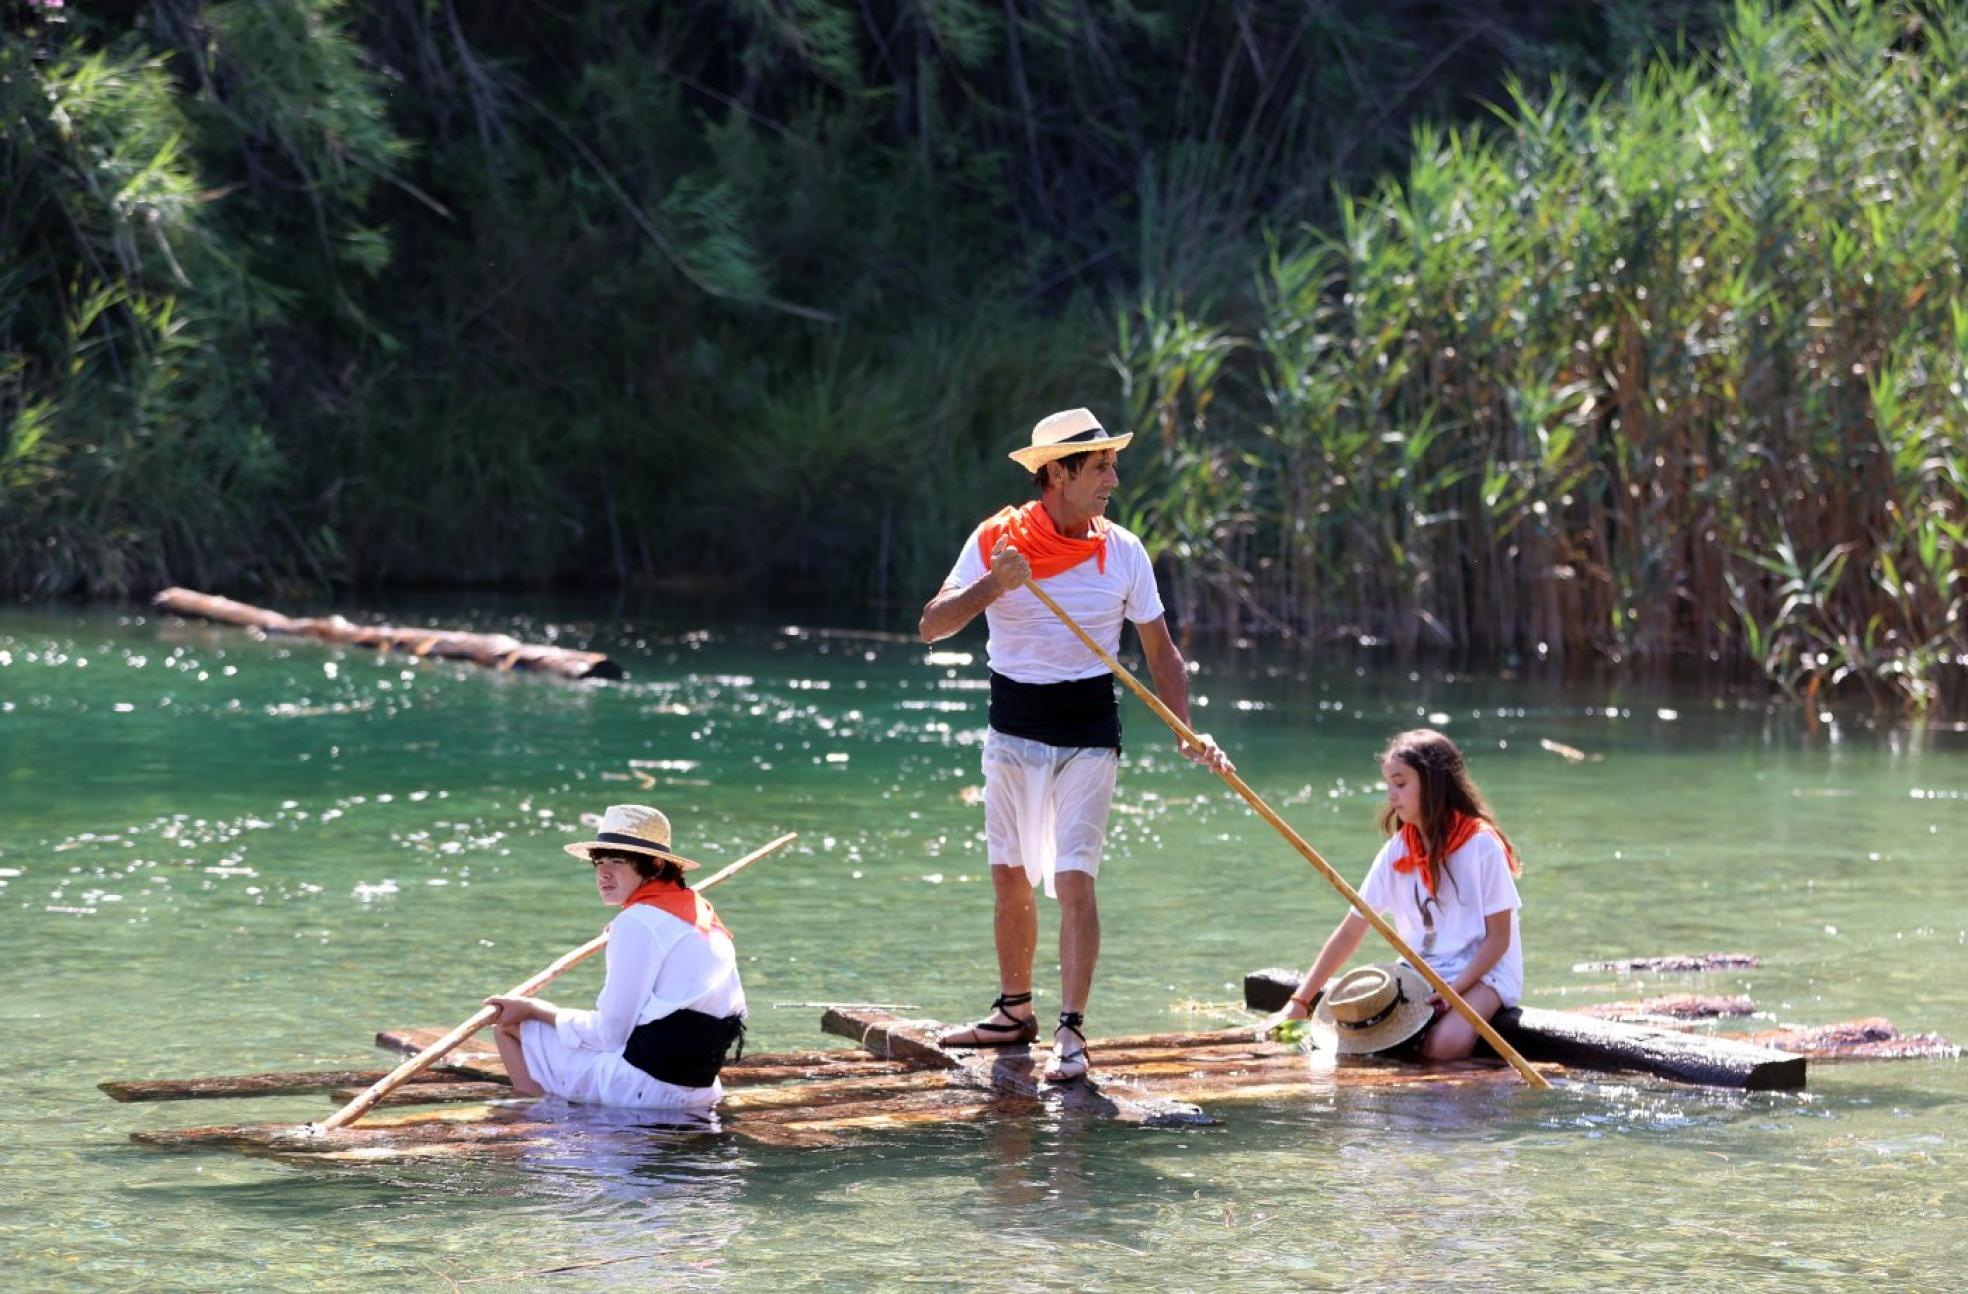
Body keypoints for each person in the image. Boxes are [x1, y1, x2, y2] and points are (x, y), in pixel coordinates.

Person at [919, 406, 1232, 1083]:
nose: (1113, 479)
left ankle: (1071, 1031)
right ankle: (1013, 1013)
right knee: (1010, 877)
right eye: (1100, 467)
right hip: (1013, 730)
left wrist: (1186, 730)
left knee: (1073, 880)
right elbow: (932, 627)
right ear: (1056, 474)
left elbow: (1162, 654)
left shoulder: (1122, 550)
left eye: (1111, 464)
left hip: (1090, 734)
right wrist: (992, 585)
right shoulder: (995, 541)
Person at [1270, 729, 1523, 1061]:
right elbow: (1351, 930)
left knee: (1443, 1046)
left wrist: (1453, 992)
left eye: (1401, 784)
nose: (1391, 796)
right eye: (1389, 784)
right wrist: (1300, 1002)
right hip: (1421, 970)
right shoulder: (1399, 849)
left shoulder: (1481, 845)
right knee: (1360, 1040)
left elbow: (1499, 940)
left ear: (1434, 783)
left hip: (1483, 973)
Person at [482, 804, 747, 1110]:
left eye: (618, 861)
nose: (604, 873)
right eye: (599, 862)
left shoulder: (638, 921)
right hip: (700, 1090)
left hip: (644, 1091)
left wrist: (535, 1009)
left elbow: (610, 1035)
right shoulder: (700, 915)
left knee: (509, 1027)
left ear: (656, 865)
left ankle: (531, 1121)